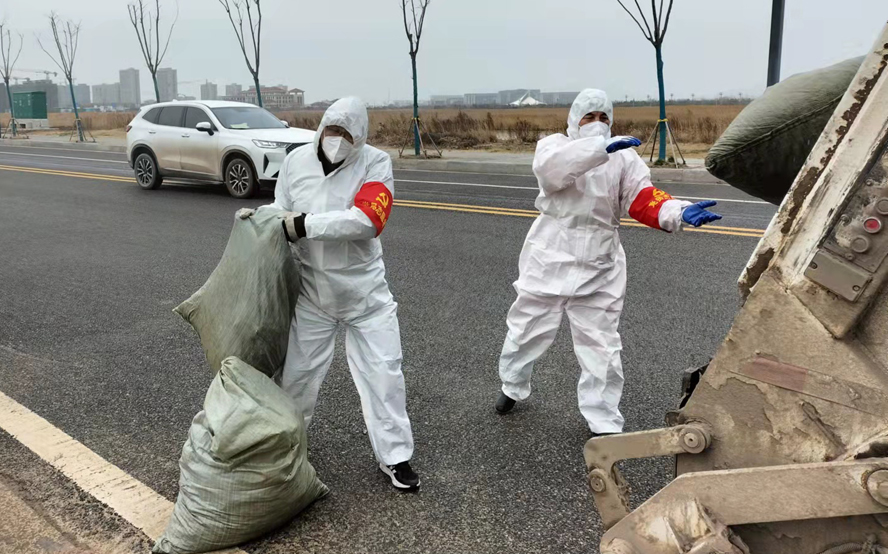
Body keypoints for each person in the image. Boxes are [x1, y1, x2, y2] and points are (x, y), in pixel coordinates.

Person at [494, 89, 722, 435]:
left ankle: (602, 419)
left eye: (604, 117)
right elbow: (552, 174)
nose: (597, 123)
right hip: (550, 252)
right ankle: (512, 385)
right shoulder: (554, 146)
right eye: (589, 116)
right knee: (526, 330)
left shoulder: (624, 156)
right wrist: (598, 149)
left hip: (601, 260)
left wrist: (677, 210)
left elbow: (641, 197)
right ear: (574, 119)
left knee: (601, 346)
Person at [237, 97, 419, 490]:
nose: (338, 140)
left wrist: (304, 225)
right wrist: (263, 219)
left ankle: (395, 456)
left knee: (384, 375)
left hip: (365, 296)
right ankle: (288, 446)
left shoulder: (375, 163)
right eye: (333, 131)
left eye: (347, 135)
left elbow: (368, 221)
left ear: (361, 138)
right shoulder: (296, 161)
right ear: (321, 129)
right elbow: (282, 208)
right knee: (297, 379)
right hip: (313, 293)